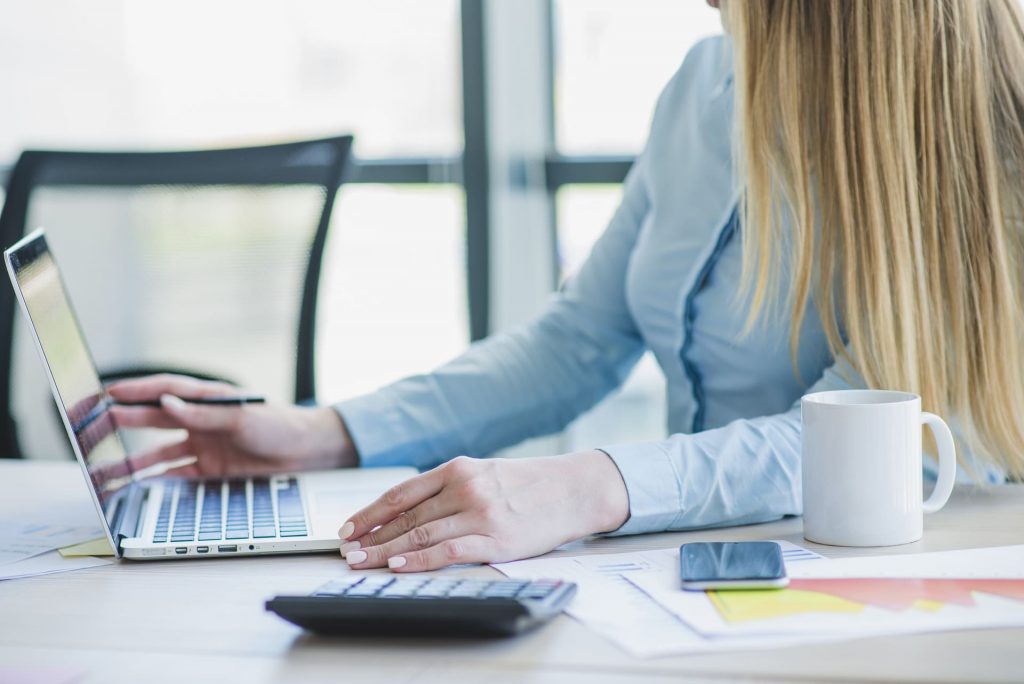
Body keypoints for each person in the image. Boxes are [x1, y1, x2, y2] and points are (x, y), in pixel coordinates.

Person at [108, 0, 1024, 572]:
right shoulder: (705, 79)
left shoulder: (966, 120)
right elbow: (581, 338)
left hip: (892, 584)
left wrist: (588, 488)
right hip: (690, 579)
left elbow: (876, 436)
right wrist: (325, 433)